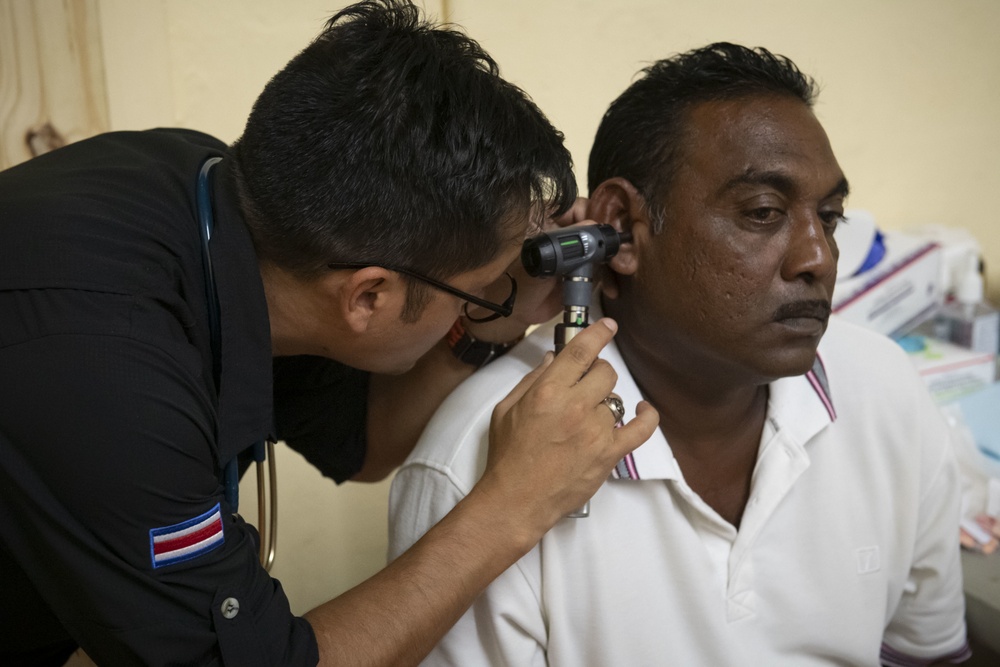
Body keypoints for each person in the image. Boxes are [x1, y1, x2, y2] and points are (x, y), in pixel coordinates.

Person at [0, 1, 658, 665]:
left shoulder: (225, 207)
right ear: (369, 294)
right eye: (481, 285)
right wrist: (512, 504)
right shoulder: (110, 367)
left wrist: (498, 316)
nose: (493, 294)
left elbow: (361, 441)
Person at [389, 42, 971, 666]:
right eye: (764, 212)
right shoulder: (479, 462)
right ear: (624, 227)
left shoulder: (884, 391)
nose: (818, 258)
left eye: (829, 218)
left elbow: (927, 654)